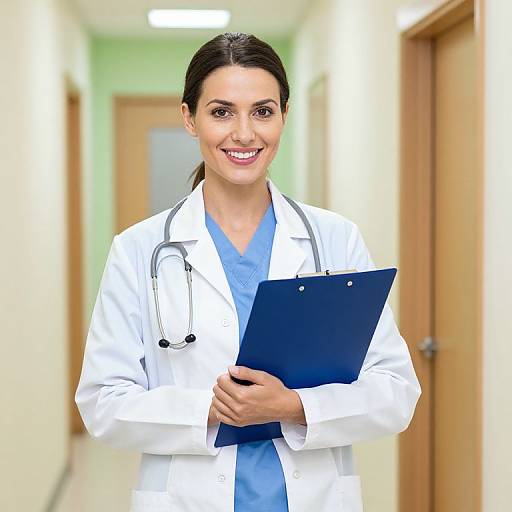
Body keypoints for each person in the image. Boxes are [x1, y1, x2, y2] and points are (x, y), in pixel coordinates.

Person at [75, 32, 421, 512]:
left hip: (315, 496)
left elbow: (395, 391)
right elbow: (102, 402)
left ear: (283, 116)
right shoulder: (139, 249)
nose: (244, 133)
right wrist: (211, 409)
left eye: (263, 111)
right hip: (188, 498)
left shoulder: (334, 240)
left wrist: (293, 407)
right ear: (189, 119)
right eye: (221, 112)